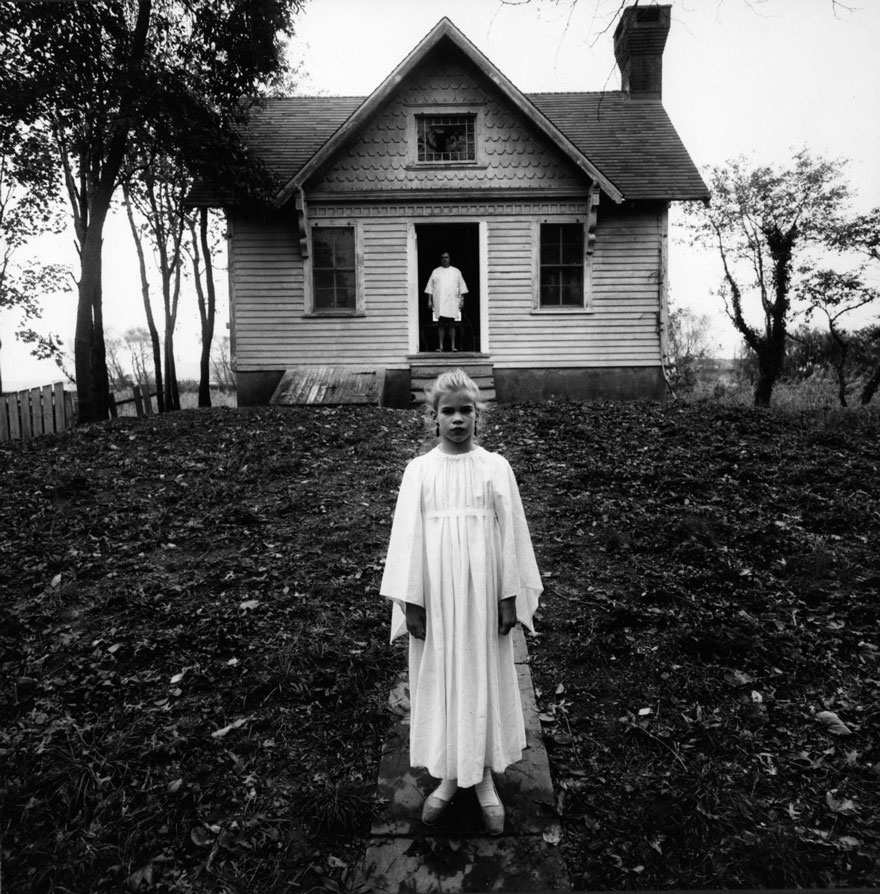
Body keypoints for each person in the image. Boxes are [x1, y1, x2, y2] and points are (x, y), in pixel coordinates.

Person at [379, 369, 542, 836]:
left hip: (483, 595)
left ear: (477, 415)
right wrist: (411, 602)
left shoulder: (495, 467)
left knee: (482, 673)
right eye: (447, 411)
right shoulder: (419, 471)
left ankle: (484, 776)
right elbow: (407, 538)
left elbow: (512, 535)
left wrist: (509, 597)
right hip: (436, 598)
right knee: (445, 676)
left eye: (465, 410)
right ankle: (450, 775)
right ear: (433, 417)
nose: (457, 419)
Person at [425, 252, 468, 352]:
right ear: (441, 259)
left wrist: (462, 300)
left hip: (452, 301)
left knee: (452, 324)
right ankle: (441, 346)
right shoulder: (436, 271)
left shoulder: (456, 271)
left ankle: (453, 346)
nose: (445, 259)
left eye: (446, 257)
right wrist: (429, 301)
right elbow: (430, 287)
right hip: (440, 302)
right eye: (443, 258)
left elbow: (462, 287)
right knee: (441, 325)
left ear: (449, 259)